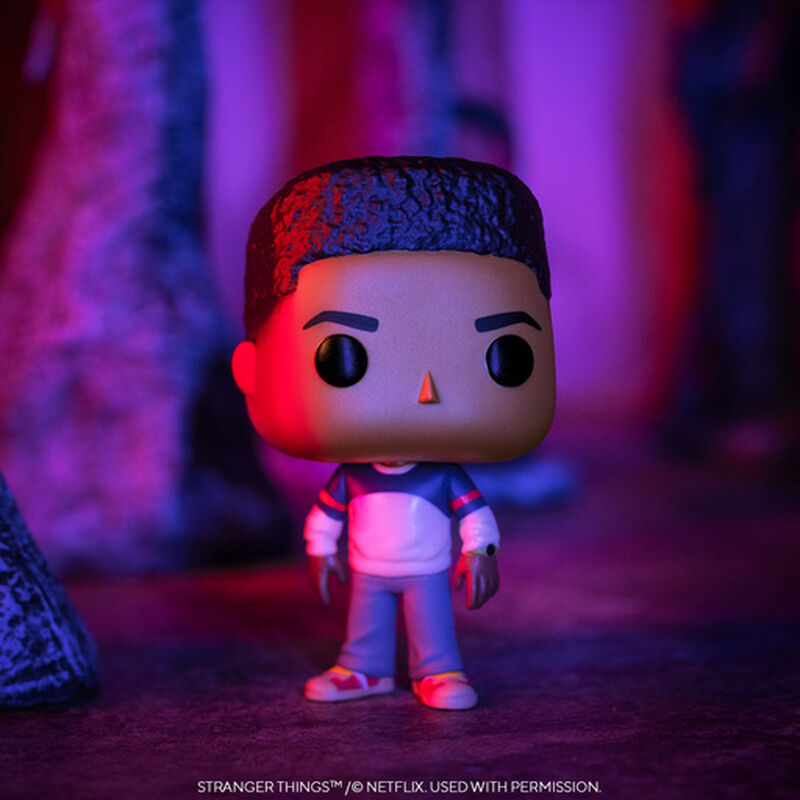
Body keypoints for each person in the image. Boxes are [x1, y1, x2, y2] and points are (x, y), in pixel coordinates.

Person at [232, 156, 556, 710]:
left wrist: (481, 551)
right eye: (342, 357)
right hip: (368, 568)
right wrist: (320, 549)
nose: (426, 392)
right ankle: (364, 670)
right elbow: (326, 514)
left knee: (432, 623)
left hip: (426, 567)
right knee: (368, 623)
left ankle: (439, 672)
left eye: (506, 355)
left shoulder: (442, 478)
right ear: (252, 372)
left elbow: (475, 515)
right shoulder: (353, 478)